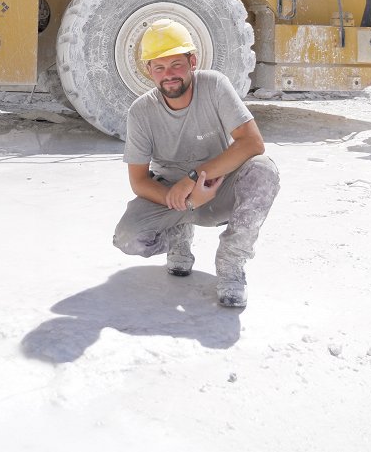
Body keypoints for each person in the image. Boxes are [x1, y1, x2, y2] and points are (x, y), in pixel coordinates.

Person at [113, 18, 279, 307]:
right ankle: (177, 234)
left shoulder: (214, 86)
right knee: (128, 239)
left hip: (217, 190)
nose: (169, 75)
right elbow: (138, 181)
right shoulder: (140, 113)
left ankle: (231, 264)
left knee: (264, 170)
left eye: (176, 64)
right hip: (171, 199)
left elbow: (252, 142)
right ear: (148, 70)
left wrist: (194, 178)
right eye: (159, 67)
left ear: (192, 60)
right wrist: (181, 200)